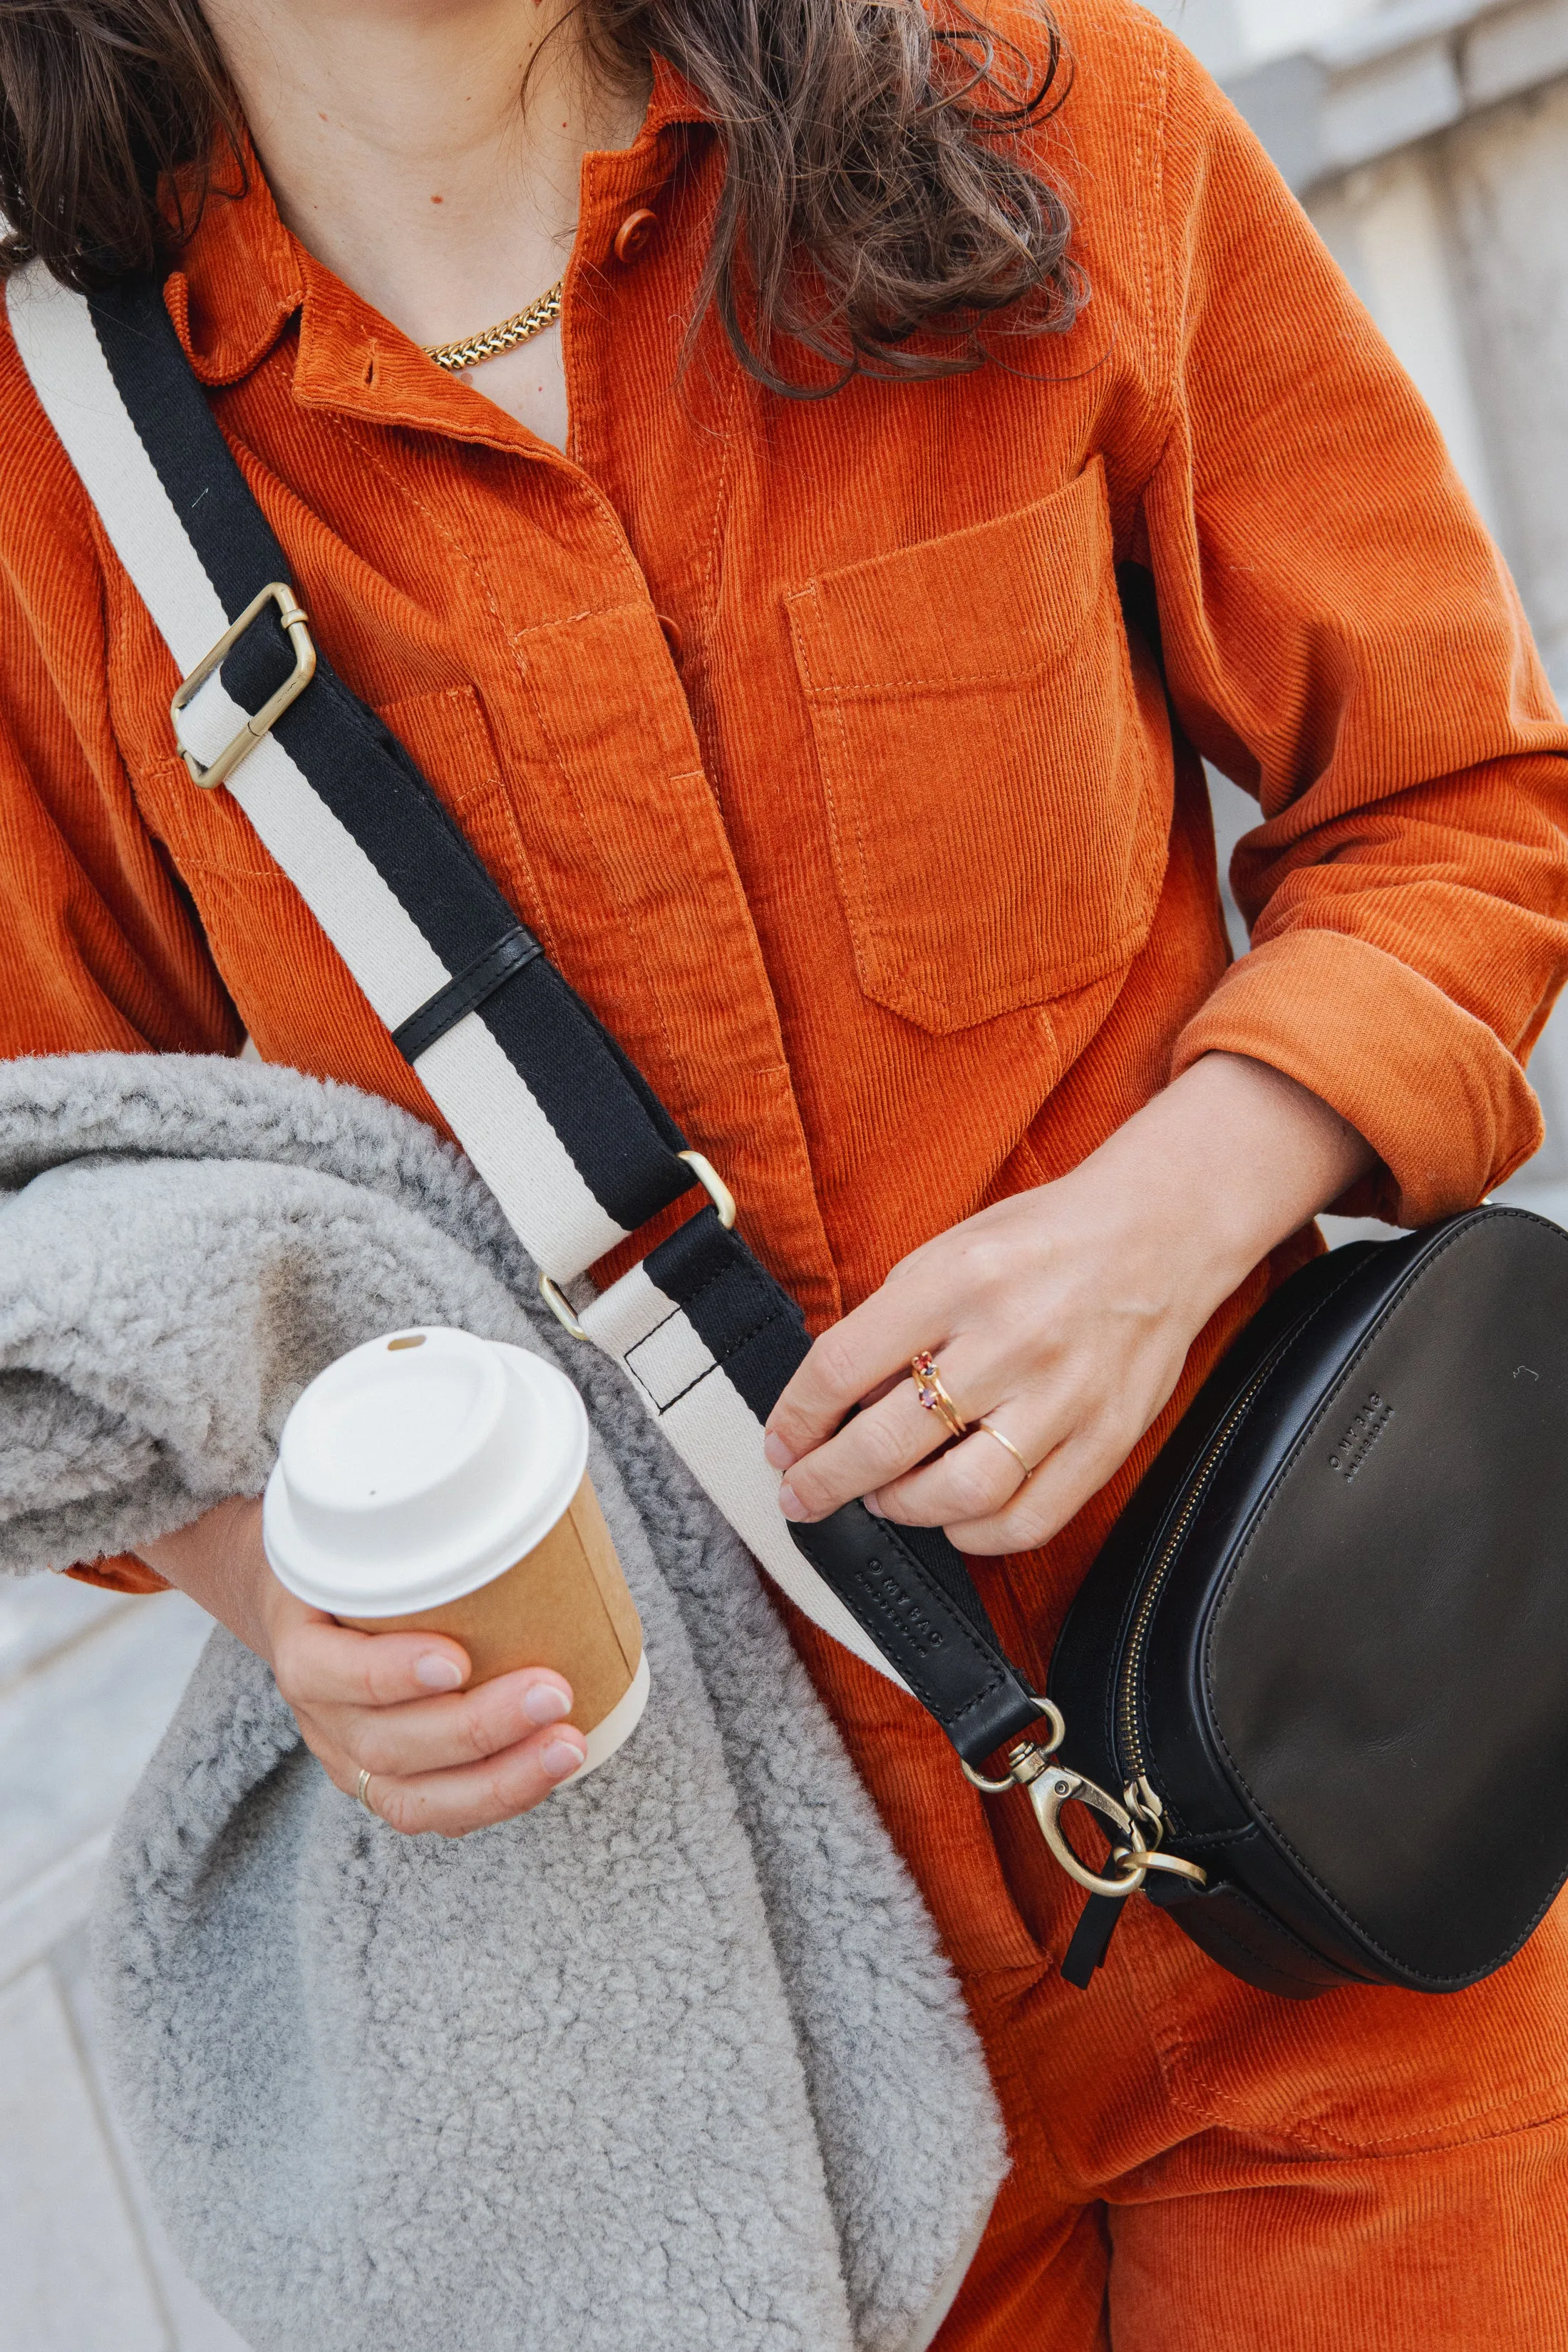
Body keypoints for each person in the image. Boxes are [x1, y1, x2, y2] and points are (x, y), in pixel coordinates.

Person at [2, 0, 1566, 2341]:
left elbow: (1464, 800)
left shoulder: (1039, 113)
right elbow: (62, 1240)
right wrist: (283, 1593)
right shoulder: (52, 471)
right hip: (725, 2079)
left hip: (1314, 1871)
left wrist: (1180, 1209)